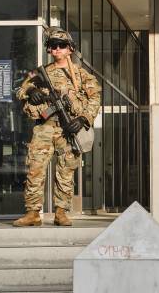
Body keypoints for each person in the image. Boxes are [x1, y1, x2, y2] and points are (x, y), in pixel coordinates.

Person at [12, 28, 101, 227]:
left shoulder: (80, 75)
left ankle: (61, 212)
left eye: (61, 46)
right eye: (53, 46)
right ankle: (33, 213)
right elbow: (20, 90)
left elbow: (95, 98)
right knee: (35, 169)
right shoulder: (41, 73)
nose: (57, 49)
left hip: (69, 128)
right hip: (44, 127)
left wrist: (84, 119)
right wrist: (32, 90)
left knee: (66, 170)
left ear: (70, 49)